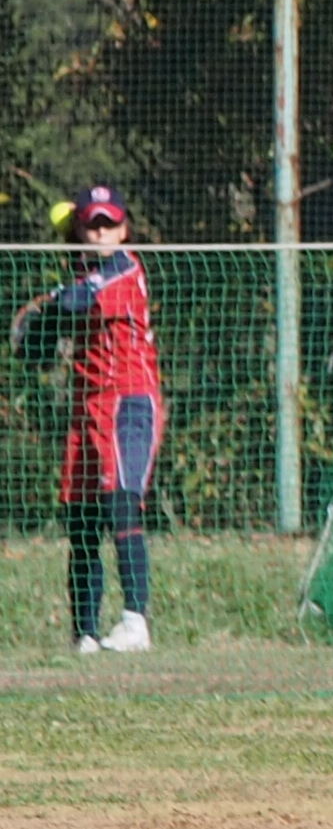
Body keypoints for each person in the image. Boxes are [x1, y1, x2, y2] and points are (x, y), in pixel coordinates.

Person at [11, 185, 159, 658]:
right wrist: (39, 336)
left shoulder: (123, 267)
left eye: (109, 224)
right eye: (92, 224)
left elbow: (76, 302)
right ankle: (85, 635)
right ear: (78, 228)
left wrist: (51, 301)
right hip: (86, 408)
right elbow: (45, 339)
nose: (101, 233)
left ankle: (135, 622)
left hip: (128, 401)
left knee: (122, 504)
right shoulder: (80, 271)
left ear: (124, 229)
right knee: (81, 520)